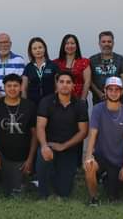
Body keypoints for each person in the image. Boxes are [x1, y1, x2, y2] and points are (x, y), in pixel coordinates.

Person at [0, 74, 37, 196]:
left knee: (15, 193)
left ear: (21, 87)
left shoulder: (30, 106)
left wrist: (30, 159)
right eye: (9, 86)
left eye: (15, 86)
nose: (12, 89)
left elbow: (34, 135)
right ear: (4, 88)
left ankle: (0, 176)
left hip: (19, 157)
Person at [36, 71, 89, 199]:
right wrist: (44, 146)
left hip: (69, 149)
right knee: (44, 156)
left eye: (68, 82)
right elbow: (40, 126)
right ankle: (43, 191)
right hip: (49, 145)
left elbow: (83, 132)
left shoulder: (80, 105)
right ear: (57, 84)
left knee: (64, 192)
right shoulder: (46, 101)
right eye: (61, 82)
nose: (65, 85)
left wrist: (63, 146)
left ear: (73, 86)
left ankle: (55, 180)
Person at [84, 77, 123, 205]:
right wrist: (88, 156)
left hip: (117, 161)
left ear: (121, 92)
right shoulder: (97, 109)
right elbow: (92, 134)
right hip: (101, 157)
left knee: (114, 196)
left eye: (117, 89)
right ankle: (94, 198)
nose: (113, 92)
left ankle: (105, 178)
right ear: (105, 91)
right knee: (90, 166)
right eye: (110, 89)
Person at [88, 31, 123, 104]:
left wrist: (114, 93)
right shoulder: (92, 60)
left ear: (113, 43)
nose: (106, 44)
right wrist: (99, 93)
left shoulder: (120, 59)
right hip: (99, 100)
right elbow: (89, 80)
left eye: (109, 41)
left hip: (117, 100)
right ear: (99, 43)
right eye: (103, 42)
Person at [0, 33, 26, 101]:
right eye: (0, 43)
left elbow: (23, 81)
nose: (3, 45)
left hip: (15, 100)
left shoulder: (19, 60)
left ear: (10, 44)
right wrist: (1, 98)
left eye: (6, 42)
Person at [52, 34, 91, 102]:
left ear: (76, 45)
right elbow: (55, 82)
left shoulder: (84, 62)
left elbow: (87, 82)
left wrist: (83, 99)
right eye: (67, 43)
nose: (70, 46)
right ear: (63, 46)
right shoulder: (56, 63)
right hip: (60, 100)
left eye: (72, 43)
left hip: (79, 99)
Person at [22, 37, 59, 106]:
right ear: (31, 51)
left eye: (40, 47)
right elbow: (24, 88)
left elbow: (57, 87)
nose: (38, 50)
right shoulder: (28, 67)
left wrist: (55, 101)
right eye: (34, 48)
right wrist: (25, 104)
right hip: (32, 104)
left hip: (50, 103)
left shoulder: (53, 65)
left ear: (44, 48)